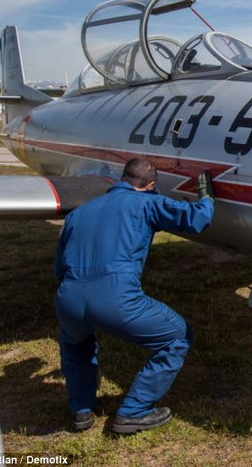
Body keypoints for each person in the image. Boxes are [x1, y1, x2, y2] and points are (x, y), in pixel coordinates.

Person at [54, 158, 215, 434]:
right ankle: (134, 411)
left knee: (75, 346)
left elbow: (59, 267)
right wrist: (207, 197)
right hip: (116, 298)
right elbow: (197, 219)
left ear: (122, 177)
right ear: (151, 185)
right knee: (177, 337)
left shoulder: (78, 214)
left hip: (69, 297)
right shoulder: (147, 203)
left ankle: (81, 410)